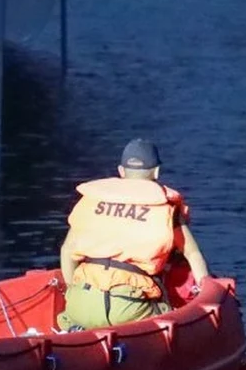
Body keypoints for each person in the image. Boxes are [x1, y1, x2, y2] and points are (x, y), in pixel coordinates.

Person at [56, 139, 211, 332]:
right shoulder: (165, 208)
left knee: (73, 317)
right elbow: (193, 254)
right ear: (156, 172)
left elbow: (67, 251)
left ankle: (75, 332)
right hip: (129, 307)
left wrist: (72, 290)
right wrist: (207, 293)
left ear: (121, 171)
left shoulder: (93, 200)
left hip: (81, 302)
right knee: (171, 315)